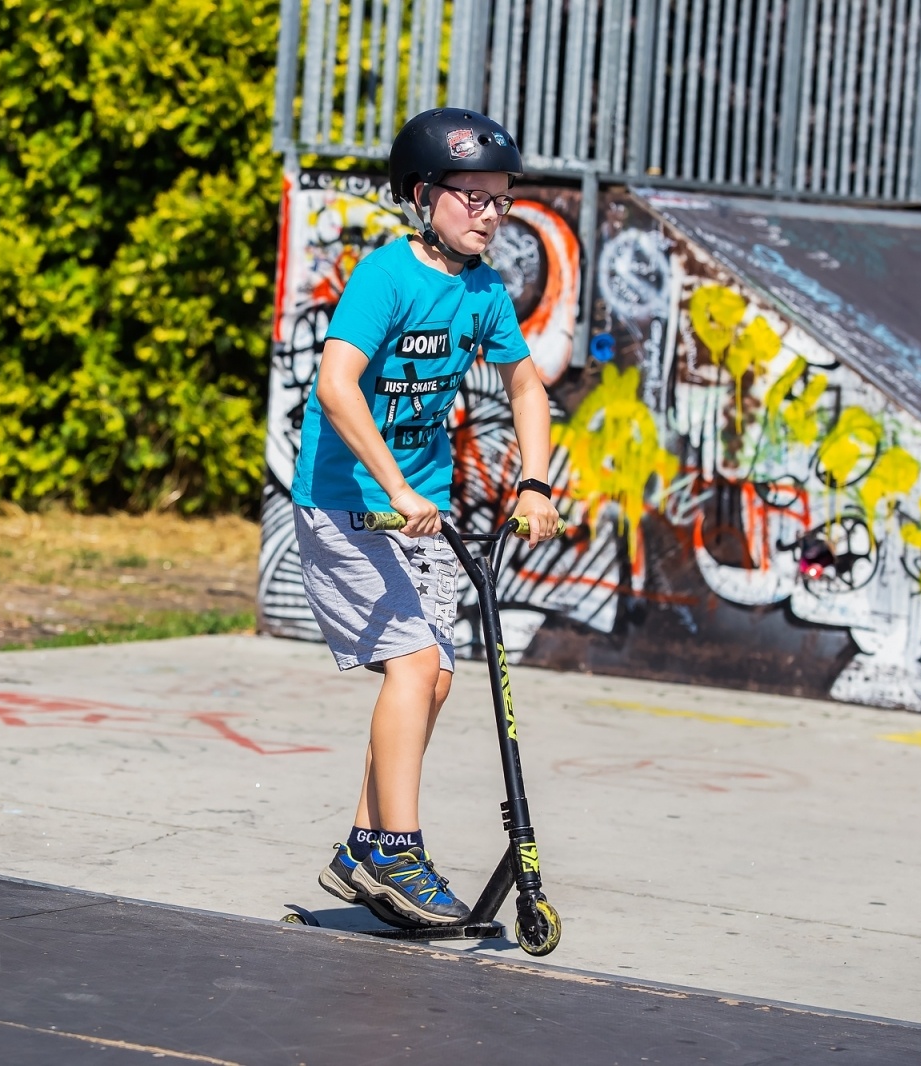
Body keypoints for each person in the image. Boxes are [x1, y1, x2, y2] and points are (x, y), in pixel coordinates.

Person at [291, 110, 562, 927]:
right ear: (423, 195)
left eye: (500, 200)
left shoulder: (482, 292)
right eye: (471, 196)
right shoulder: (386, 278)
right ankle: (394, 849)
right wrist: (393, 488)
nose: (489, 212)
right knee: (414, 664)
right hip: (346, 506)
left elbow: (524, 386)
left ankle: (364, 845)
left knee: (434, 678)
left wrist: (536, 484)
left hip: (422, 515)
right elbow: (338, 386)